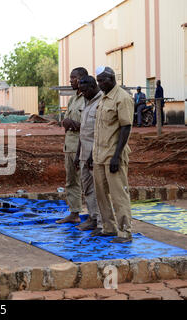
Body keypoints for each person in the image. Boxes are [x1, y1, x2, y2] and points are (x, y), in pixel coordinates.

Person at [90, 66, 134, 243]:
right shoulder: (103, 98)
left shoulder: (122, 98)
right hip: (99, 156)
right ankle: (109, 228)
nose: (100, 84)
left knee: (118, 195)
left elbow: (126, 127)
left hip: (113, 156)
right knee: (101, 194)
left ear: (112, 78)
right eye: (98, 80)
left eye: (102, 80)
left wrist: (117, 155)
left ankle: (125, 232)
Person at [56, 67, 88, 225]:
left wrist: (73, 124)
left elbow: (92, 126)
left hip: (82, 147)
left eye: (73, 77)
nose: (70, 80)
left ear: (82, 78)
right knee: (71, 181)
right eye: (70, 77)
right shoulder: (73, 99)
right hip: (69, 146)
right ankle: (74, 213)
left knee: (87, 182)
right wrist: (67, 123)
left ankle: (95, 216)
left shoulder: (88, 99)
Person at [74, 76, 103, 232]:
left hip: (96, 155)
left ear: (93, 87)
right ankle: (93, 217)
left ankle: (101, 222)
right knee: (88, 188)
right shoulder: (87, 101)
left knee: (99, 189)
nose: (82, 94)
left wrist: (92, 154)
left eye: (84, 90)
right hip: (84, 154)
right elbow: (83, 132)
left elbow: (100, 133)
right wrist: (78, 154)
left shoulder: (101, 102)